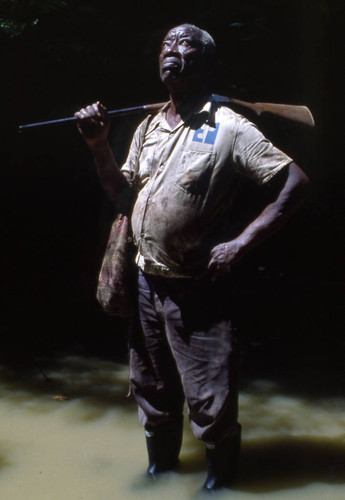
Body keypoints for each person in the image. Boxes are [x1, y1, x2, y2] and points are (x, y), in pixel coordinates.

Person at [75, 24, 311, 491]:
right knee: (153, 392)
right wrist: (98, 144)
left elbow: (295, 185)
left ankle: (220, 488)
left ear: (205, 62)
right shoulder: (147, 127)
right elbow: (122, 197)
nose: (171, 50)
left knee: (211, 402)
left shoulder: (232, 128)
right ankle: (159, 477)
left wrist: (240, 245)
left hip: (199, 289)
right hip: (146, 283)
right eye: (165, 43)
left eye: (185, 44)